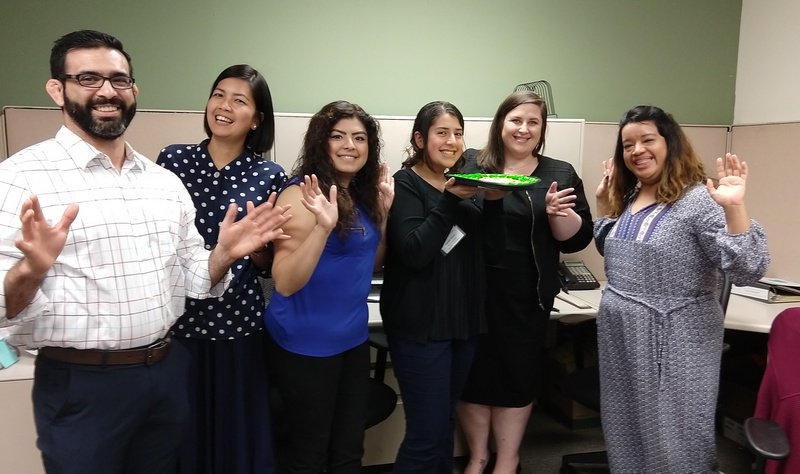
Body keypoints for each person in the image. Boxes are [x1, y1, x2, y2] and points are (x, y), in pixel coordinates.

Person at [0, 30, 290, 474]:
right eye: (89, 79)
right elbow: (4, 306)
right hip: (83, 383)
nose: (107, 92)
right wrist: (31, 271)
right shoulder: (22, 176)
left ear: (134, 90)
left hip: (166, 370)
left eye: (119, 80)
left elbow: (192, 276)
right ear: (57, 89)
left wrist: (223, 255)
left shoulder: (161, 182)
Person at [593, 105, 770, 472]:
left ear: (670, 143)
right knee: (625, 431)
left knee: (673, 439)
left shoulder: (698, 201)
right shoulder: (631, 197)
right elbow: (612, 247)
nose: (637, 150)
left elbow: (748, 268)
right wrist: (604, 202)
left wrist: (735, 207)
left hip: (674, 345)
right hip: (623, 342)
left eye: (647, 140)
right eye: (628, 145)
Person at [156, 64, 286, 474]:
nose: (224, 106)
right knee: (179, 432)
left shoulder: (270, 175)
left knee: (235, 434)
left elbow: (268, 266)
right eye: (218, 94)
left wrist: (257, 250)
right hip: (178, 322)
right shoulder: (173, 160)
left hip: (237, 325)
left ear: (257, 118)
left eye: (239, 100)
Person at [456, 90, 594, 473]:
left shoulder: (558, 173)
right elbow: (452, 219)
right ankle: (477, 455)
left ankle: (507, 459)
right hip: (472, 293)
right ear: (501, 123)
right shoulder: (470, 163)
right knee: (473, 378)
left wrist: (555, 215)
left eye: (533, 122)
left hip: (527, 298)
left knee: (516, 379)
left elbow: (577, 240)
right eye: (516, 120)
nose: (524, 128)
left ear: (542, 129)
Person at [263, 100, 394, 473]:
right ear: (321, 144)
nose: (349, 145)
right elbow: (285, 282)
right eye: (337, 136)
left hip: (351, 340)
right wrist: (322, 227)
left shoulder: (362, 195)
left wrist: (383, 219)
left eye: (359, 137)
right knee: (309, 452)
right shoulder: (301, 197)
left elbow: (370, 263)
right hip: (304, 344)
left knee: (349, 449)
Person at [380, 101, 506, 473]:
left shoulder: (470, 184)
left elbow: (491, 251)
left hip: (462, 322)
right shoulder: (405, 186)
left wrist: (495, 203)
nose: (452, 141)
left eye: (458, 133)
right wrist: (450, 199)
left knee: (443, 426)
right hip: (420, 327)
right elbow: (416, 251)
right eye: (441, 133)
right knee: (425, 435)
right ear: (420, 139)